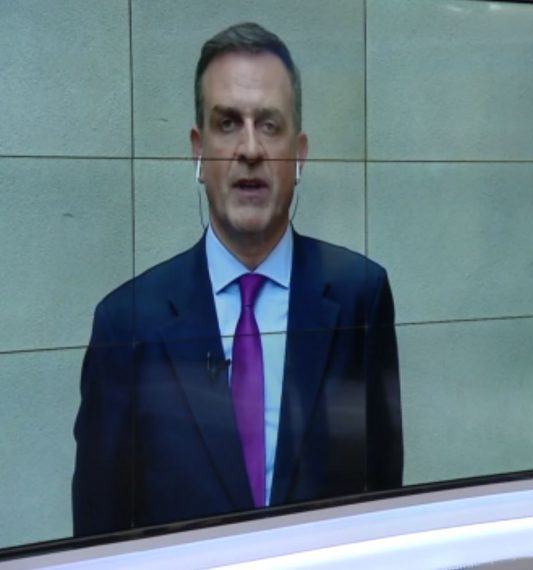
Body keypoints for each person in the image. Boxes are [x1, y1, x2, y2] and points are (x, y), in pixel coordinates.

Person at [72, 22, 402, 537]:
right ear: (198, 151)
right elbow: (100, 536)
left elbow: (381, 502)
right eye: (228, 123)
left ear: (300, 153)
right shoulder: (127, 323)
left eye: (269, 124)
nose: (250, 148)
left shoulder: (361, 297)